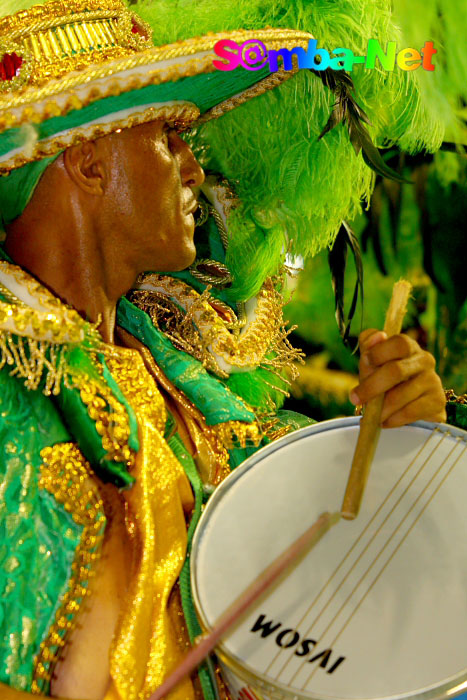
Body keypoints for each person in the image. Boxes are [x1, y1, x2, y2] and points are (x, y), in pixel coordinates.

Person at [0, 1, 458, 699]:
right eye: (168, 137)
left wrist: (396, 437)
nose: (192, 170)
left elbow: (301, 558)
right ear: (89, 163)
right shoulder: (13, 391)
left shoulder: (173, 375)